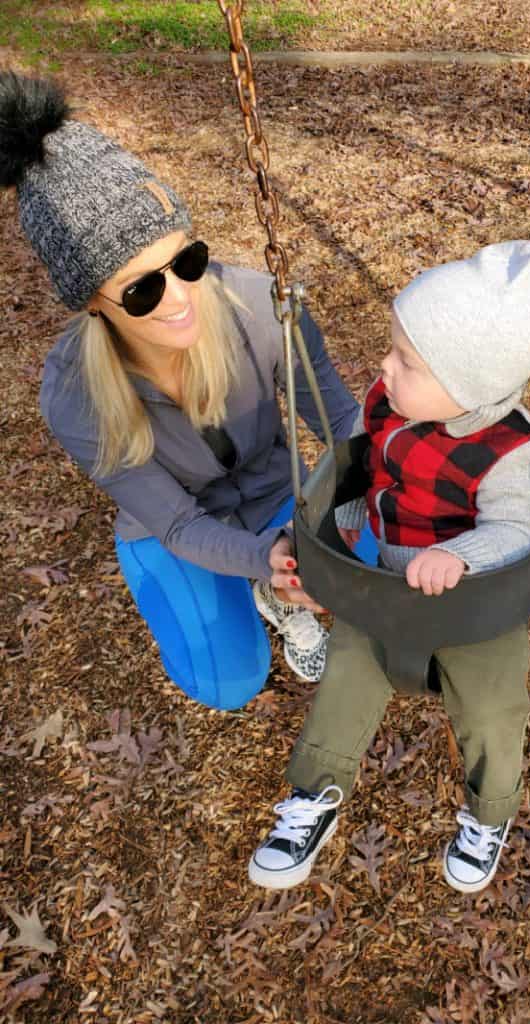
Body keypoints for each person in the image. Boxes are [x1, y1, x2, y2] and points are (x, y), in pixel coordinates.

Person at [1, 71, 375, 710]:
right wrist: (272, 560)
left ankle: (261, 582)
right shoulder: (74, 396)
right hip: (169, 523)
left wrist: (388, 483)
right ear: (92, 303)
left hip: (274, 484)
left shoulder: (260, 305)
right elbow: (175, 520)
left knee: (382, 548)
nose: (180, 299)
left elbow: (341, 419)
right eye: (142, 288)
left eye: (189, 261)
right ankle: (222, 588)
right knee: (228, 685)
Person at [249, 239, 530, 893]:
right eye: (393, 348)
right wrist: (335, 535)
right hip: (387, 581)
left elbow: (511, 530)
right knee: (346, 677)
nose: (384, 366)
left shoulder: (514, 453)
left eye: (407, 361)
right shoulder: (393, 406)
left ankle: (489, 814)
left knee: (495, 711)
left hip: (476, 605)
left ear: (468, 387)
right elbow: (374, 478)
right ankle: (314, 796)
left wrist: (457, 556)